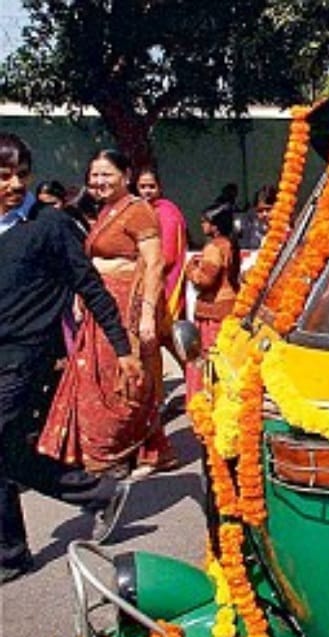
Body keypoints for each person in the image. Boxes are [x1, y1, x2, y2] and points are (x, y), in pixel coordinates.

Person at [0, 133, 139, 584]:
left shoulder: (50, 224)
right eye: (5, 176)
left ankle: (11, 554)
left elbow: (90, 286)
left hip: (29, 355)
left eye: (22, 175)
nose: (15, 185)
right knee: (10, 455)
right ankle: (99, 492)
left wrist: (122, 348)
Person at [37, 148, 178, 477]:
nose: (98, 181)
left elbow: (155, 263)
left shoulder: (138, 210)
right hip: (99, 304)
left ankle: (111, 452)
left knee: (121, 381)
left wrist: (146, 316)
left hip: (124, 304)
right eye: (94, 175)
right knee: (96, 377)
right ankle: (149, 449)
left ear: (125, 176)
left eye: (106, 174)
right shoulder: (106, 211)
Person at [184, 203, 239, 399]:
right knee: (225, 359)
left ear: (214, 226)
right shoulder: (230, 244)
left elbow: (204, 280)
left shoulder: (214, 248)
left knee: (206, 359)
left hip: (212, 313)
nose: (201, 226)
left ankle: (205, 401)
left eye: (204, 222)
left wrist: (190, 268)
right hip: (228, 306)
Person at [135, 166, 189, 325]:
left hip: (163, 280)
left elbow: (168, 255)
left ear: (159, 188)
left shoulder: (166, 212)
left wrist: (148, 271)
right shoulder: (144, 210)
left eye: (151, 186)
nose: (147, 191)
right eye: (142, 187)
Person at [235, 184, 276, 250]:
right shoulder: (247, 226)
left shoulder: (285, 229)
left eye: (268, 210)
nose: (264, 214)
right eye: (260, 211)